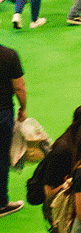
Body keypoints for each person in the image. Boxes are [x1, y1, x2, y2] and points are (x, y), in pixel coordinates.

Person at [0, 39, 23, 216]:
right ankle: (1, 203)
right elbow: (19, 87)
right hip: (3, 113)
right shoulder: (9, 55)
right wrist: (24, 107)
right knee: (1, 158)